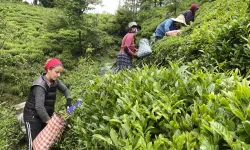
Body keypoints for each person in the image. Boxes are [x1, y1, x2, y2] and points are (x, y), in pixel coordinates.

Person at [23, 58, 72, 150]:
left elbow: (66, 90)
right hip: (32, 117)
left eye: (60, 73)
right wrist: (49, 121)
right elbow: (39, 106)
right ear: (49, 69)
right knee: (33, 145)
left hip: (44, 116)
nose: (59, 75)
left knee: (42, 143)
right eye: (56, 72)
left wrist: (68, 100)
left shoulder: (55, 81)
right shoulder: (40, 85)